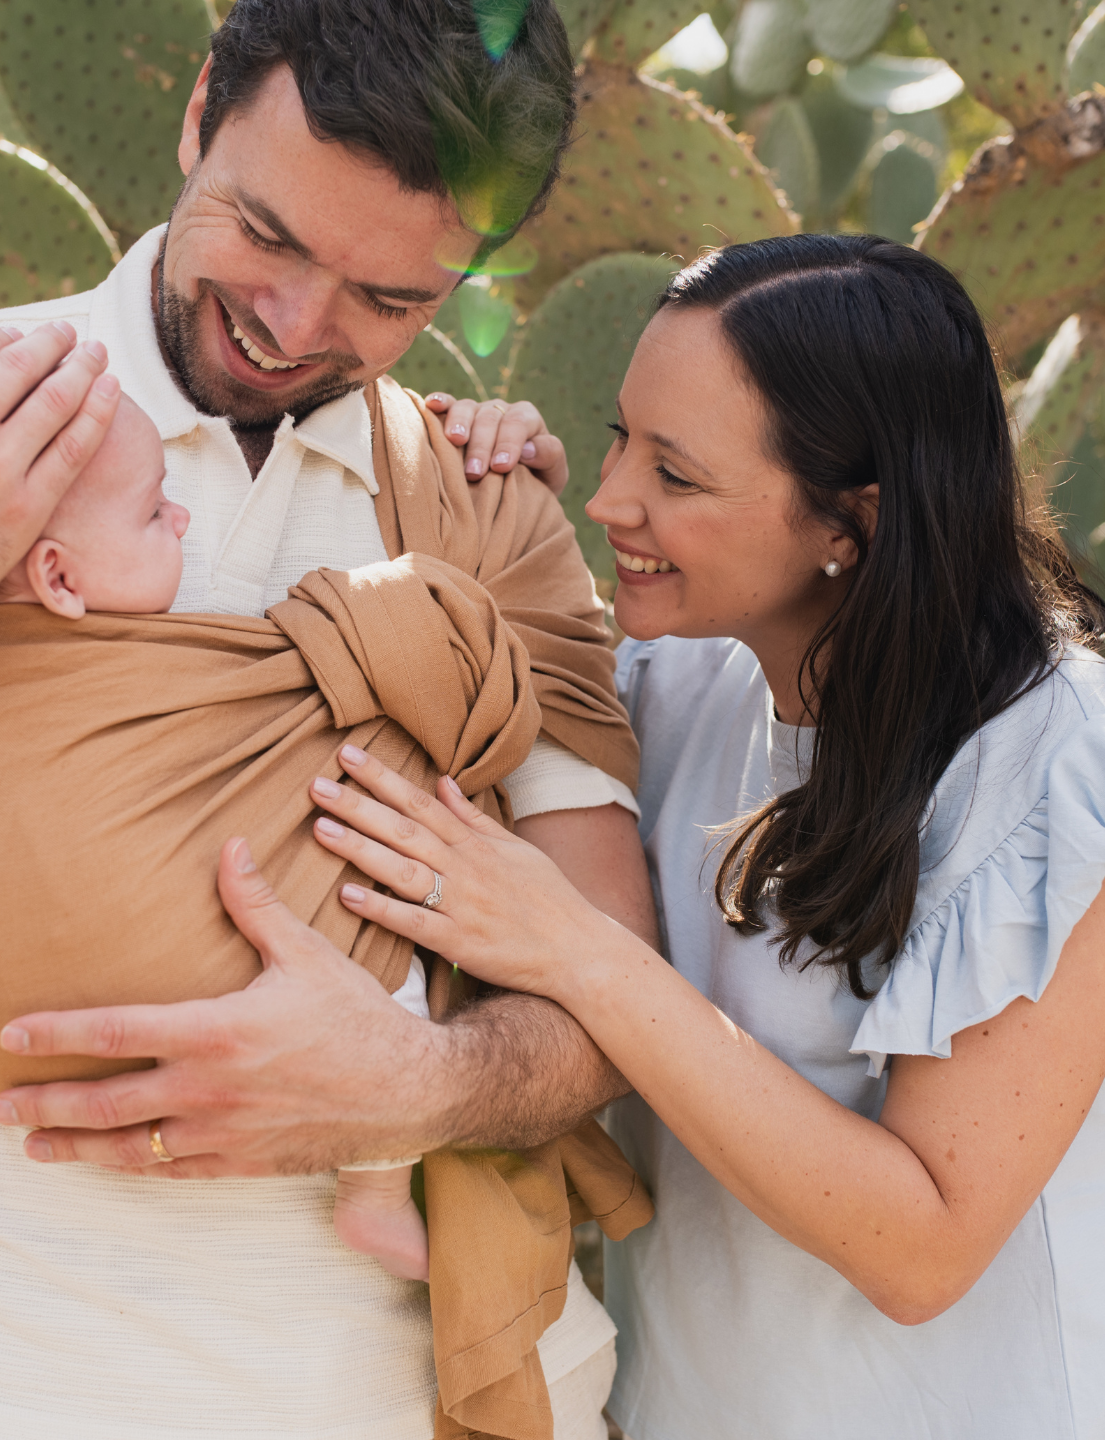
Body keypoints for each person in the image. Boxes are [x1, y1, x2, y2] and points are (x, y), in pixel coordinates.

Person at [0, 3, 658, 1437]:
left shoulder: (481, 506)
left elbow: (617, 985)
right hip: (10, 1397)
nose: (298, 328)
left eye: (391, 301)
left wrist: (420, 1087)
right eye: (270, 234)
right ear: (199, 110)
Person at [294, 233, 1105, 1440]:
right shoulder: (665, 690)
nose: (611, 497)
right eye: (620, 438)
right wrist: (475, 489)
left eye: (676, 474)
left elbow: (925, 1245)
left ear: (853, 521)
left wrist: (580, 951)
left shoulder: (1056, 754)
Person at [0, 390, 645, 1333]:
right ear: (56, 575)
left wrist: (513, 499)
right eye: (151, 513)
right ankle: (373, 1199)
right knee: (383, 964)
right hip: (5, 1376)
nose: (179, 514)